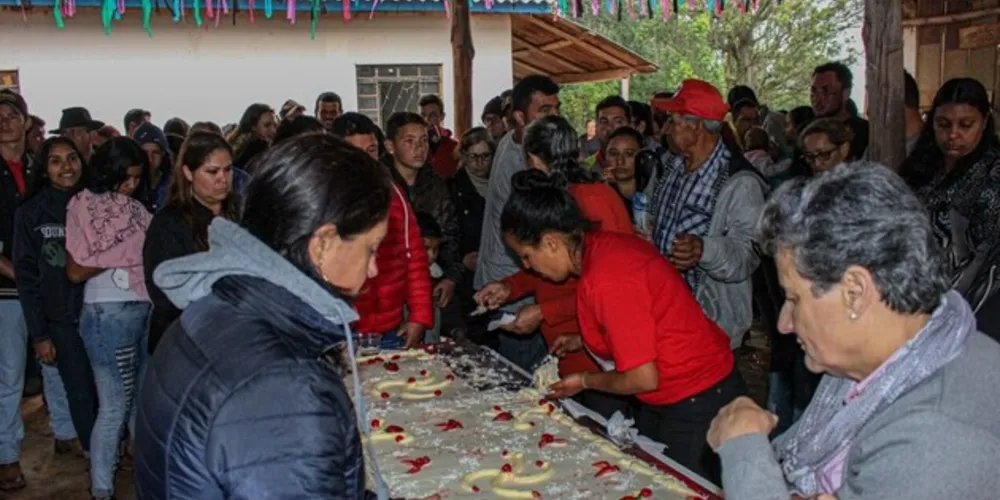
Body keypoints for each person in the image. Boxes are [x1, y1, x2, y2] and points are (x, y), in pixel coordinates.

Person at [709, 162, 1000, 499]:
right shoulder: (885, 359)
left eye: (793, 298)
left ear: (855, 292)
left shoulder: (937, 439)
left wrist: (744, 450)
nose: (784, 323)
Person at [134, 134, 397, 498]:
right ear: (321, 245)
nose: (373, 269)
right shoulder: (284, 386)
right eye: (370, 248)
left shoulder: (216, 305)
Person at [498, 169, 742, 483]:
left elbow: (642, 377)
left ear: (551, 243)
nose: (527, 267)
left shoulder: (607, 277)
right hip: (674, 397)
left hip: (698, 399)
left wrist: (585, 380)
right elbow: (637, 324)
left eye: (526, 256)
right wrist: (581, 340)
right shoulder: (599, 248)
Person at [65, 137, 153, 500]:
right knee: (115, 404)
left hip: (136, 308)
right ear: (109, 171)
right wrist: (126, 252)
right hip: (107, 312)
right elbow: (75, 268)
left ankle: (132, 476)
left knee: (136, 399)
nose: (131, 186)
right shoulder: (83, 204)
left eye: (136, 178)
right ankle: (101, 488)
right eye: (126, 177)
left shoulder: (133, 208)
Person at [13, 138, 96, 467]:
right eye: (56, 161)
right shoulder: (30, 213)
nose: (67, 167)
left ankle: (112, 448)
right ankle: (96, 457)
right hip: (61, 319)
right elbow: (26, 278)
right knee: (79, 391)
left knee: (107, 391)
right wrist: (40, 335)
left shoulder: (97, 204)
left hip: (101, 312)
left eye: (72, 158)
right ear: (44, 170)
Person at [474, 74, 560, 371]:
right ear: (520, 117)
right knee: (525, 380)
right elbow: (542, 236)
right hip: (514, 286)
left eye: (556, 109)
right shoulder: (519, 160)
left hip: (509, 281)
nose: (555, 117)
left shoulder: (512, 141)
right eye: (544, 111)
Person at [334, 112, 434, 350]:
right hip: (341, 334)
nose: (366, 160)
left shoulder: (393, 193)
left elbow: (415, 256)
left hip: (391, 328)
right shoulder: (322, 198)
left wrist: (420, 315)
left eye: (371, 151)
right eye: (356, 152)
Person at [143, 132, 239, 354]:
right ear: (188, 172)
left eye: (228, 169)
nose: (222, 179)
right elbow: (163, 289)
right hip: (183, 341)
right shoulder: (170, 221)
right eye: (212, 171)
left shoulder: (241, 211)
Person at [899, 78, 1000, 282]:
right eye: (943, 124)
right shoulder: (920, 166)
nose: (953, 134)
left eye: (966, 125)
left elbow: (982, 259)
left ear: (985, 122)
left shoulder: (992, 176)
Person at [448, 127, 494, 340]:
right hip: (464, 277)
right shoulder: (451, 188)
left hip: (493, 271)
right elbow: (446, 235)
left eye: (485, 156)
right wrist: (460, 260)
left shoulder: (500, 185)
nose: (479, 162)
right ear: (464, 156)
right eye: (473, 156)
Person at [226, 103, 277, 169]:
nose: (274, 130)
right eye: (267, 125)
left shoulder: (234, 146)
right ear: (253, 127)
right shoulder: (258, 147)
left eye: (275, 125)